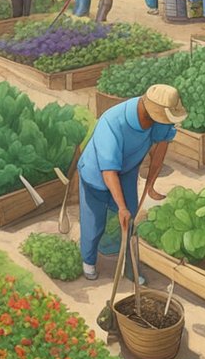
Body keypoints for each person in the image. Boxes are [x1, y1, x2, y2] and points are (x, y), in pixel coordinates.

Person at [76, 84, 182, 281]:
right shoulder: (112, 121)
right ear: (151, 112)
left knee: (130, 220)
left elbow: (160, 148)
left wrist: (150, 183)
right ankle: (88, 260)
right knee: (95, 220)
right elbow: (108, 171)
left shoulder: (160, 119)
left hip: (127, 170)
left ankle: (129, 267)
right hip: (97, 174)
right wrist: (121, 207)